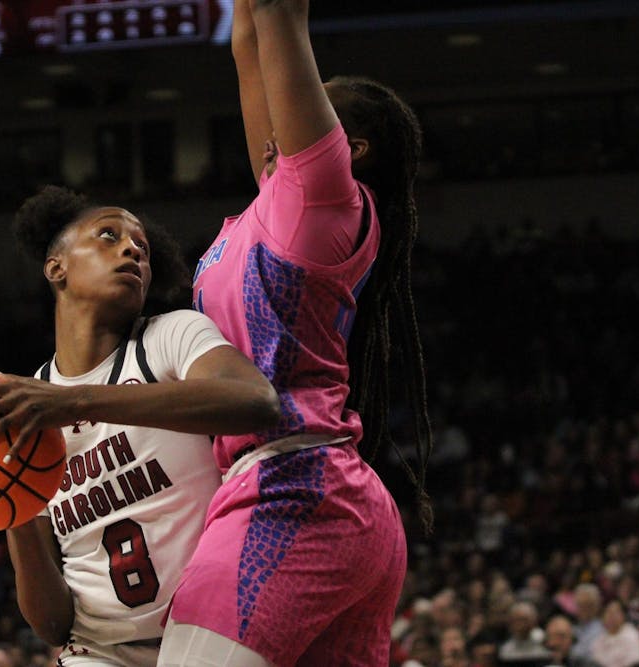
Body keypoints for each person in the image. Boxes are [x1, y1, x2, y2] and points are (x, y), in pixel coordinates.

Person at [157, 0, 434, 664]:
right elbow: (250, 40)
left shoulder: (325, 198)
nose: (289, 103)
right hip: (320, 494)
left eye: (313, 101)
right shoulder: (279, 201)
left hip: (292, 494)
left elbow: (280, 18)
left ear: (350, 148)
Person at [0, 185, 281, 666]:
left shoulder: (169, 336)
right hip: (99, 650)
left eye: (143, 247)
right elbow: (52, 622)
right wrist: (13, 513)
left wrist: (76, 404)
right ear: (57, 268)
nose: (132, 248)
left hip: (209, 628)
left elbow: (255, 400)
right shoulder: (27, 410)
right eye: (108, 236)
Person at [590, 599, 639, 667]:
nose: (611, 616)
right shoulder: (599, 639)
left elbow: (637, 663)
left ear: (624, 616)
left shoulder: (633, 637)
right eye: (608, 612)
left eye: (616, 612)